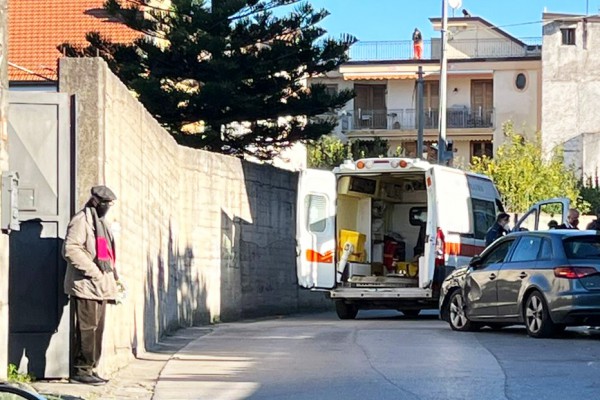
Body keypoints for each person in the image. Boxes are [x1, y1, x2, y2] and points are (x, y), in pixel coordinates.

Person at [63, 186, 119, 385]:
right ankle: (80, 370)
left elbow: (107, 255)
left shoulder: (101, 223)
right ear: (97, 202)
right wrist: (94, 272)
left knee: (97, 330)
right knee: (86, 329)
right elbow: (70, 249)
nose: (108, 207)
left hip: (100, 286)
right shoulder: (81, 221)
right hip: (86, 285)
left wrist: (114, 278)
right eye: (106, 204)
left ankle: (91, 368)